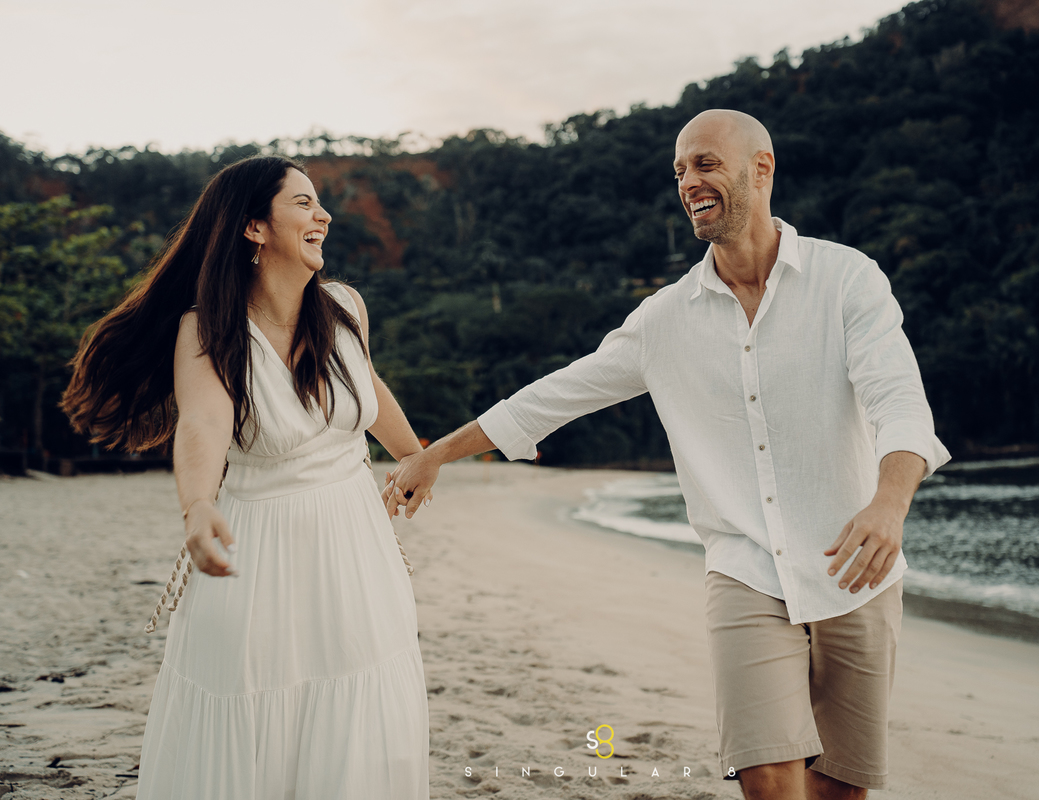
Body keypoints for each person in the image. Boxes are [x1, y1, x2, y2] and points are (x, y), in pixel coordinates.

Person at [385, 110, 950, 799]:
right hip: (743, 570)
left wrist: (889, 504)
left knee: (840, 789)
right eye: (680, 170)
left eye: (706, 163)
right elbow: (558, 395)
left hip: (856, 570)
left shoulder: (847, 280)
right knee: (769, 780)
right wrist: (437, 452)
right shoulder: (664, 319)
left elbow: (898, 398)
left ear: (761, 168)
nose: (688, 182)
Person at [61, 156, 430, 799]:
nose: (323, 216)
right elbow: (203, 423)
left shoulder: (345, 307)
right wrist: (197, 506)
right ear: (255, 228)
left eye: (320, 204)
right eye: (304, 204)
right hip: (261, 549)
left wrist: (417, 455)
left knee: (362, 697)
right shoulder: (207, 329)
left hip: (355, 543)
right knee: (255, 709)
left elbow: (365, 387)